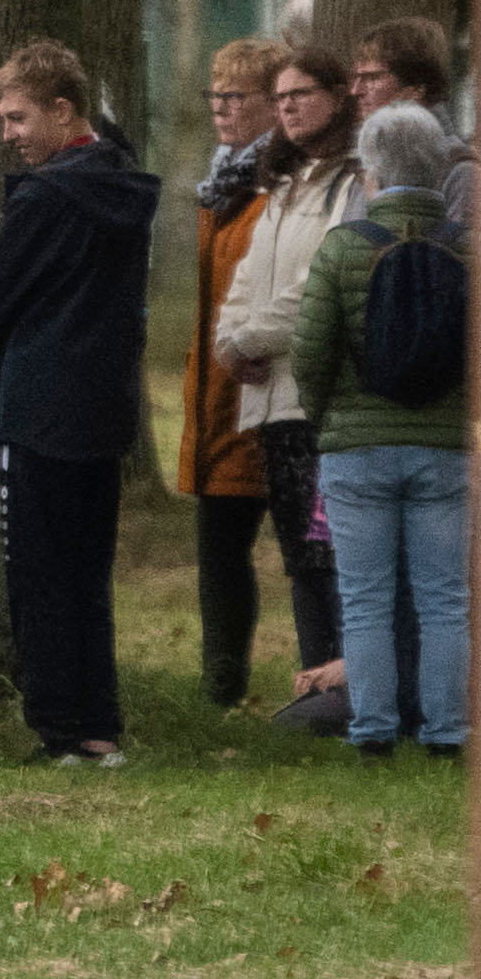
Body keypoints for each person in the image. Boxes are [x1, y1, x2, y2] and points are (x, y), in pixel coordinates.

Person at [0, 37, 147, 766]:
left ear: (61, 110)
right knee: (86, 574)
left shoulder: (45, 197)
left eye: (16, 118)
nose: (7, 135)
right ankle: (98, 724)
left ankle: (57, 729)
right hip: (102, 407)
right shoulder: (123, 186)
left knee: (39, 573)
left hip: (40, 408)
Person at [287, 98, 469, 761]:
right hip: (443, 448)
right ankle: (446, 733)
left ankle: (372, 732)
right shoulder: (467, 249)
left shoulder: (342, 249)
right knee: (445, 598)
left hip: (355, 449)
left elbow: (309, 351)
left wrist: (325, 415)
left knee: (363, 599)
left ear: (370, 174)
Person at [188, 41, 353, 721]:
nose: (224, 109)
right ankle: (279, 683)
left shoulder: (334, 185)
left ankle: (338, 689)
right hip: (246, 396)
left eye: (296, 95)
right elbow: (240, 284)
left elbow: (312, 288)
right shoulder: (258, 188)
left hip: (302, 390)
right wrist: (229, 342)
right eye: (215, 98)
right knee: (268, 551)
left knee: (320, 548)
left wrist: (244, 339)